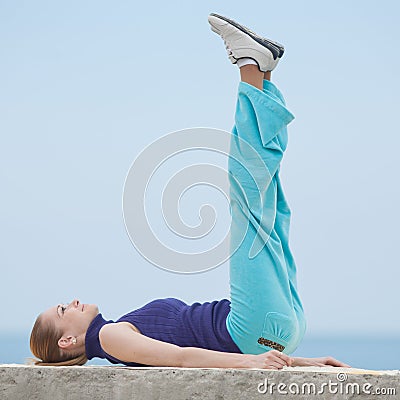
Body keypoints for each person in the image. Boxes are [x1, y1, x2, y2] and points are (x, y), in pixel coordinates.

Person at [30, 13, 351, 370]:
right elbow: (181, 358)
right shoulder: (108, 338)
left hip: (266, 331)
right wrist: (249, 365)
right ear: (67, 340)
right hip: (252, 331)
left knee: (267, 199)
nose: (71, 301)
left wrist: (304, 363)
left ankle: (263, 74)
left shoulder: (117, 331)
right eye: (63, 310)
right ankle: (250, 65)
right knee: (249, 193)